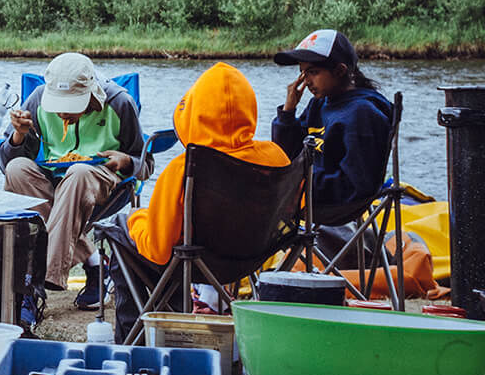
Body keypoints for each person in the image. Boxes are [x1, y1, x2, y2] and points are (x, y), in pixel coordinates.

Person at [106, 63, 289, 337]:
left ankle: (136, 336)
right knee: (175, 241)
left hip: (194, 263)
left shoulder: (185, 167)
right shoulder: (276, 157)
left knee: (121, 227)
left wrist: (136, 219)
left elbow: (157, 248)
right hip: (251, 258)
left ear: (195, 114)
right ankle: (173, 318)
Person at [0, 51, 149, 310]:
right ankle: (94, 263)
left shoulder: (120, 103)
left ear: (92, 93)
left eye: (72, 107)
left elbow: (145, 165)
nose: (64, 116)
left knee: (78, 173)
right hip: (54, 180)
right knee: (17, 168)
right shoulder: (37, 101)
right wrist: (18, 137)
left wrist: (125, 161)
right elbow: (5, 163)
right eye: (59, 107)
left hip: (104, 181)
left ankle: (37, 280)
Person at [270, 29, 392, 226]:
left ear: (340, 70)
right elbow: (286, 153)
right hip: (309, 192)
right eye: (302, 72)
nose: (306, 81)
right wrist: (288, 112)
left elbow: (355, 186)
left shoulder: (362, 113)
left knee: (250, 196)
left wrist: (296, 182)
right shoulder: (319, 104)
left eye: (313, 72)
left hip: (336, 205)